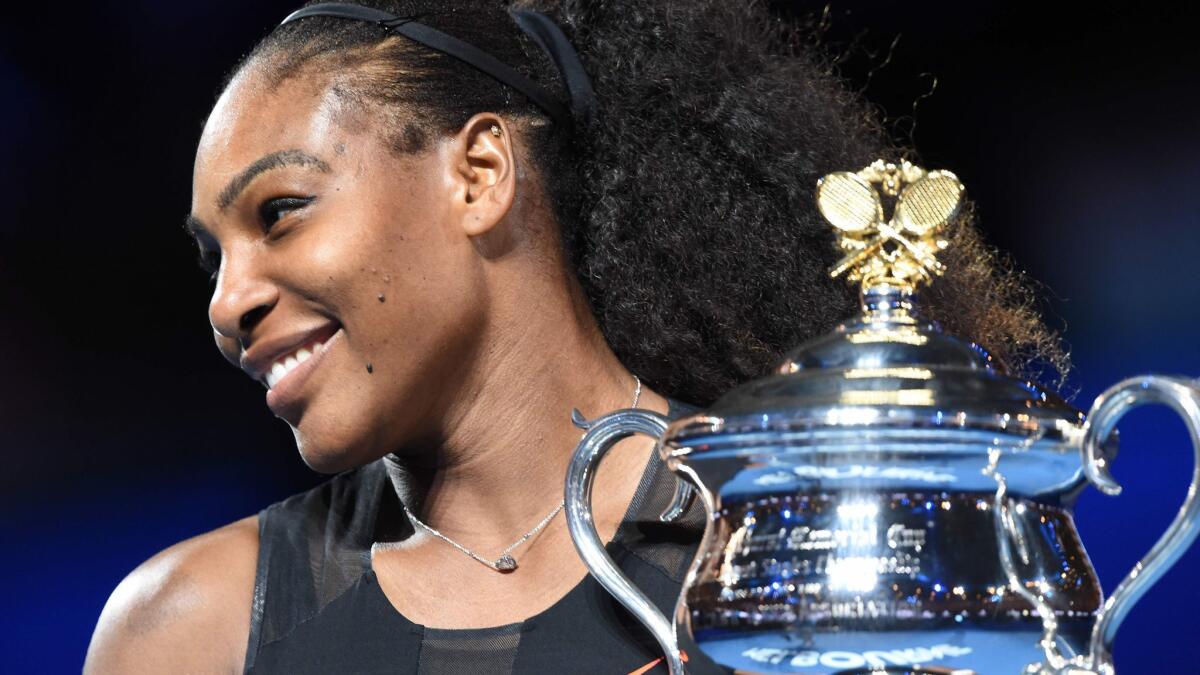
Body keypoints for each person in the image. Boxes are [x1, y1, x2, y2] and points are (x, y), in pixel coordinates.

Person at [85, 1, 1065, 672]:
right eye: (212, 258)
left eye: (281, 211)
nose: (227, 303)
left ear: (478, 174)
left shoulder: (817, 542)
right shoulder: (191, 631)